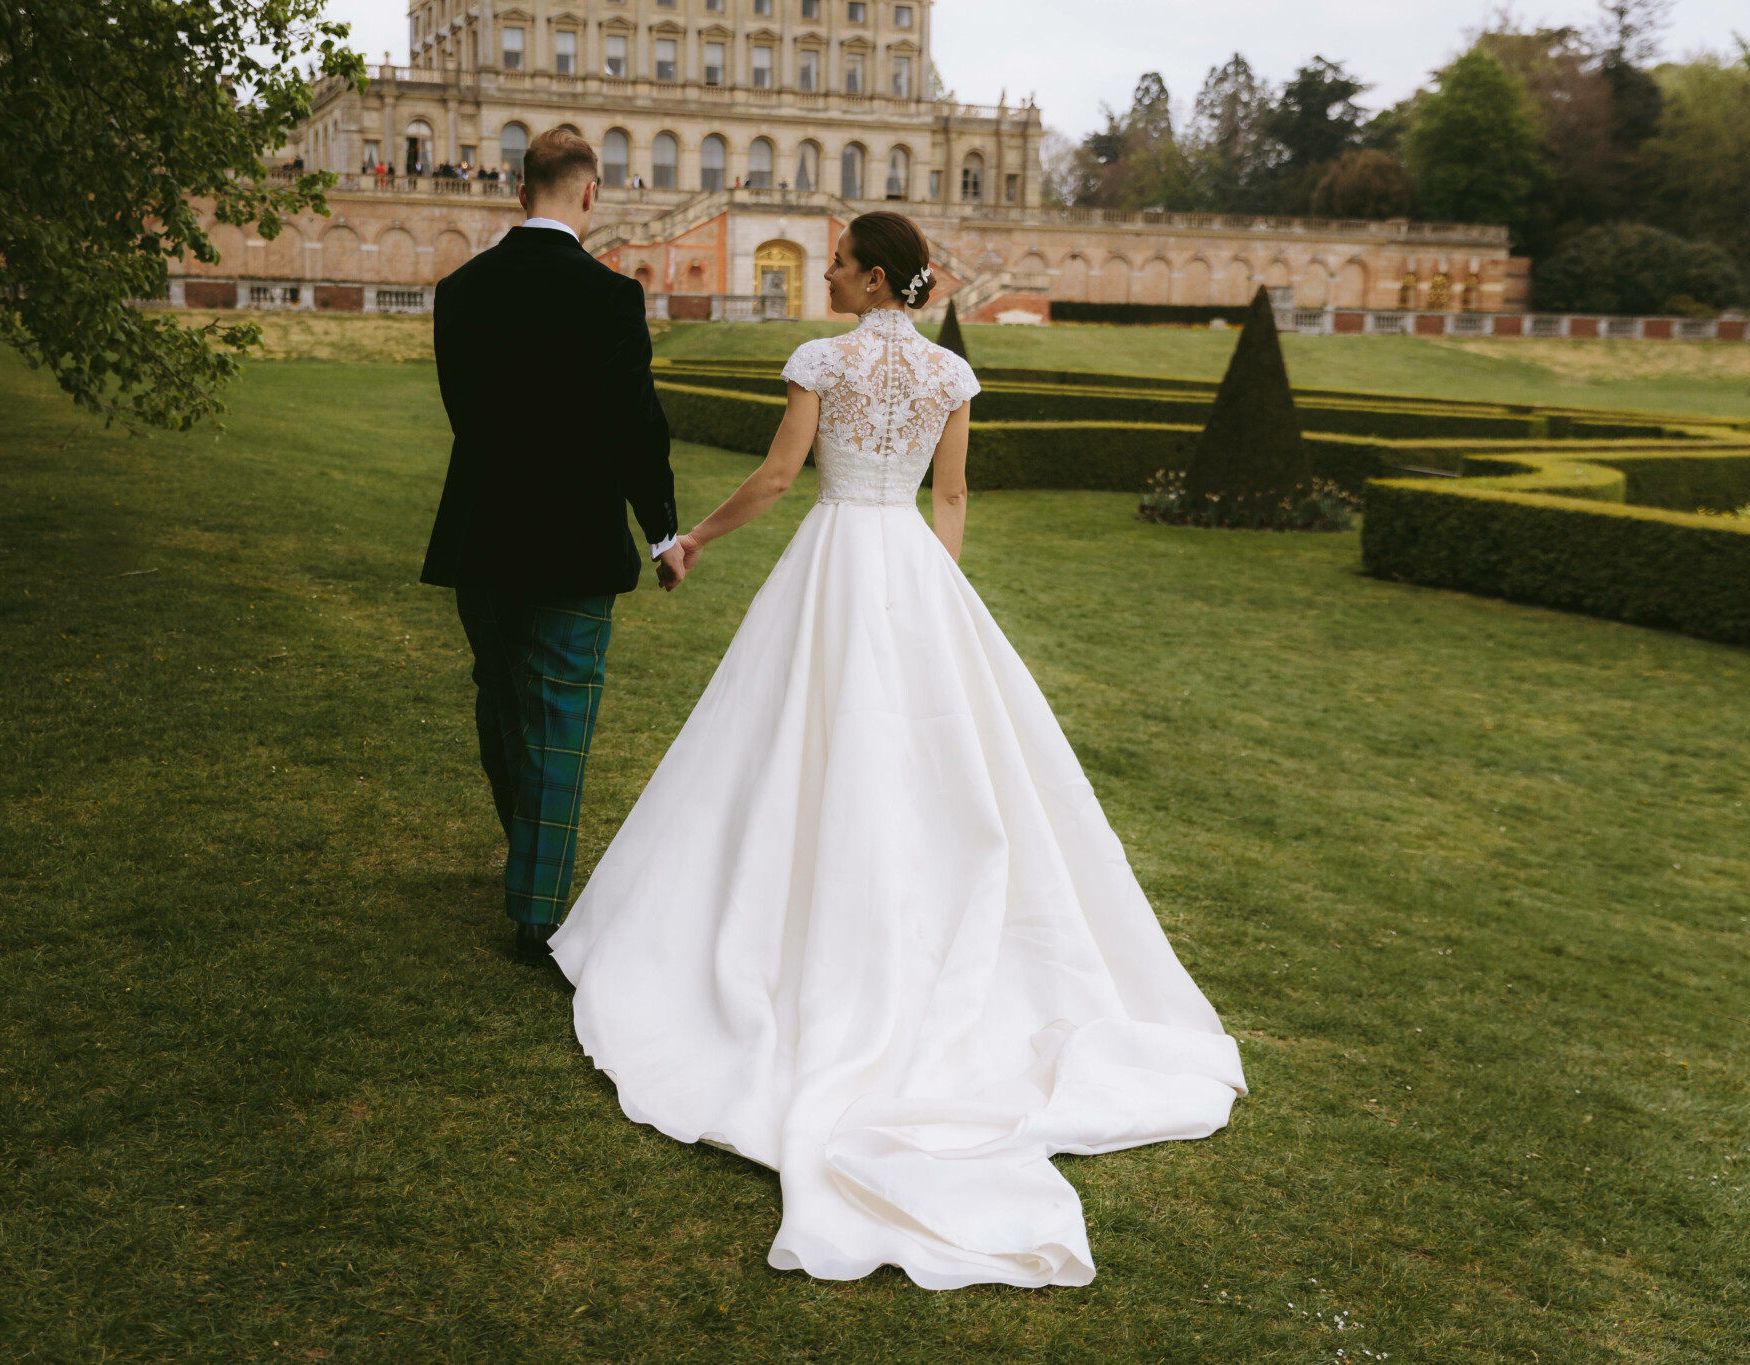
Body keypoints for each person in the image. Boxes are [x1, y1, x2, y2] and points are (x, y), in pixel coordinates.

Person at [550, 211, 1247, 1290]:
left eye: (836, 260)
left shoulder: (820, 358)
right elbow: (951, 497)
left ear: (872, 276)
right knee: (927, 766)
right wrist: (934, 595)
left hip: (835, 558)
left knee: (785, 745)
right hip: (913, 572)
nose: (823, 270)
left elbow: (782, 480)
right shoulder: (947, 375)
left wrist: (693, 539)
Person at [419, 128, 686, 965]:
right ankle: (537, 911)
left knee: (502, 702)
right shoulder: (610, 297)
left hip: (483, 530)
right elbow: (635, 426)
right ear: (590, 194)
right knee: (558, 712)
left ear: (519, 191)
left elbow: (465, 409)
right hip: (573, 533)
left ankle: (530, 863)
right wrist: (664, 532)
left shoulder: (460, 289)